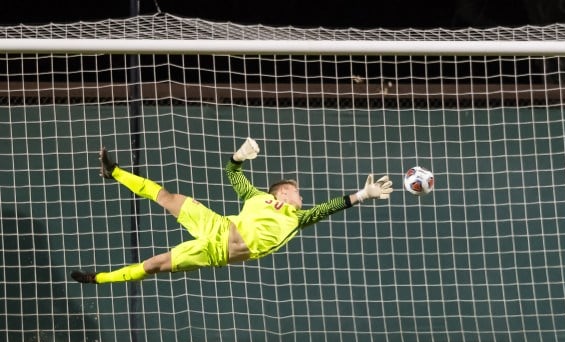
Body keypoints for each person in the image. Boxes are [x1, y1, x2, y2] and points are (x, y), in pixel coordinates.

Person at [71, 138, 393, 284]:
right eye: (296, 191)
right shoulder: (255, 196)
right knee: (169, 197)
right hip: (218, 226)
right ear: (281, 191)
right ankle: (114, 171)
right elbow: (232, 174)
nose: (301, 196)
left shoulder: (297, 218)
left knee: (155, 264)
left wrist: (363, 194)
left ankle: (97, 278)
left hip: (216, 251)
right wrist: (237, 157)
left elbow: (329, 207)